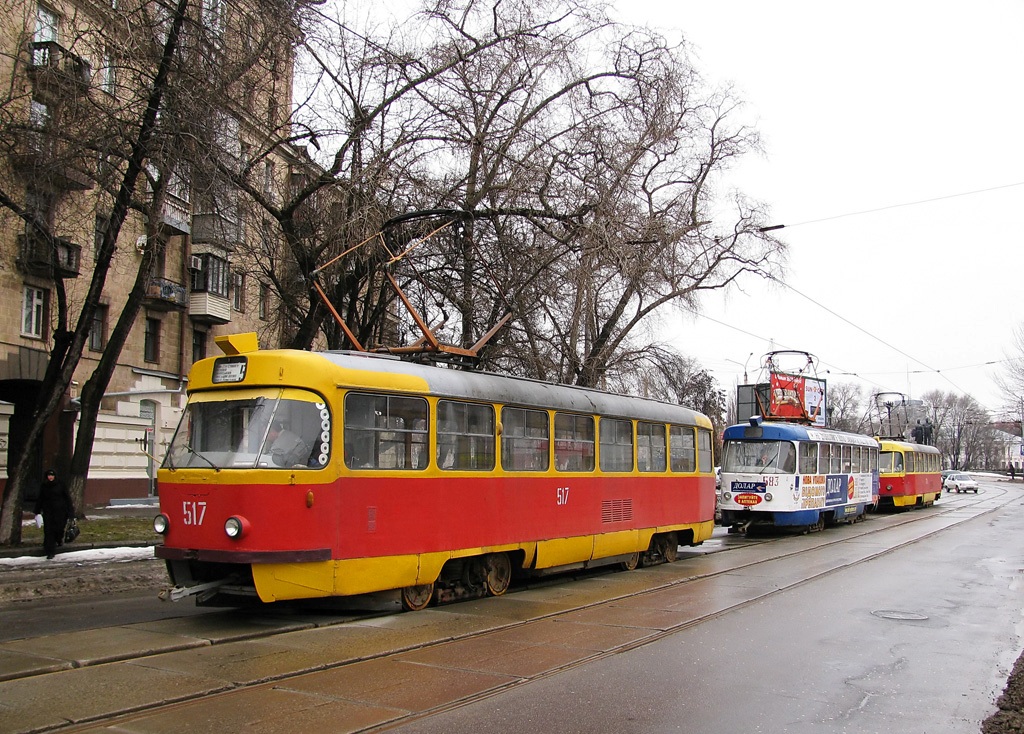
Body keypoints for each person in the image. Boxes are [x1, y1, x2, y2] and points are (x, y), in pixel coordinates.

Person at [34, 468, 74, 560]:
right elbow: (40, 498)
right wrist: (37, 511)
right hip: (48, 512)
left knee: (59, 529)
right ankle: (50, 551)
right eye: (49, 475)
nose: (50, 477)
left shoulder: (61, 484)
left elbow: (67, 498)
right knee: (49, 531)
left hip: (60, 512)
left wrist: (71, 512)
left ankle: (59, 539)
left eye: (52, 475)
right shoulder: (44, 486)